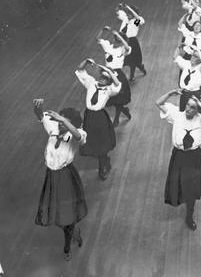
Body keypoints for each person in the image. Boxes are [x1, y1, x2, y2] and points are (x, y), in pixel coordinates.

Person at [156, 89, 201, 231]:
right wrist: (171, 93)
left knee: (192, 189)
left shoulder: (200, 119)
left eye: (193, 108)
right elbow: (158, 103)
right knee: (179, 185)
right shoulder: (177, 115)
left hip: (194, 157)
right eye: (188, 106)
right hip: (179, 156)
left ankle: (189, 215)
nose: (189, 110)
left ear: (197, 111)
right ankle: (183, 199)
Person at [33, 99, 87, 261]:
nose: (60, 125)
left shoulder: (78, 134)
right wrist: (38, 109)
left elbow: (78, 135)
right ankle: (72, 231)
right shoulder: (54, 128)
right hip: (52, 175)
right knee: (58, 211)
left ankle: (68, 243)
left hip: (66, 177)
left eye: (64, 122)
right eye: (60, 121)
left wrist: (63, 120)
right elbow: (42, 117)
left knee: (66, 214)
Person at [75, 58, 121, 180]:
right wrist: (85, 61)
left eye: (106, 78)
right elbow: (80, 70)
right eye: (102, 76)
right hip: (89, 116)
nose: (102, 79)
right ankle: (105, 159)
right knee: (92, 142)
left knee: (101, 143)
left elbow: (118, 84)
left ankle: (102, 168)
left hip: (100, 117)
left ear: (109, 80)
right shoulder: (91, 83)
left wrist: (109, 71)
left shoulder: (110, 90)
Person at [97, 26, 132, 127]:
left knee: (119, 98)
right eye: (116, 39)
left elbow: (127, 47)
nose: (117, 42)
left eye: (119, 40)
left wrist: (119, 35)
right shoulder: (107, 45)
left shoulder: (123, 49)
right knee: (108, 99)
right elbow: (98, 39)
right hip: (107, 74)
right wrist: (102, 30)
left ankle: (116, 118)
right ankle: (125, 111)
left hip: (118, 75)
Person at [174, 44, 201, 116]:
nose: (193, 58)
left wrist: (197, 49)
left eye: (196, 57)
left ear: (200, 59)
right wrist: (179, 47)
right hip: (184, 94)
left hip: (197, 94)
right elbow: (175, 57)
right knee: (183, 114)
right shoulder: (186, 63)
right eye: (193, 55)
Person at [116, 3, 147, 82]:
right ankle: (140, 67)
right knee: (124, 60)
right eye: (128, 14)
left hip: (133, 42)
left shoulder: (135, 22)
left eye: (130, 13)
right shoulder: (125, 19)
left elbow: (140, 20)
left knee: (133, 60)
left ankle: (133, 74)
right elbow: (117, 12)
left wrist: (130, 9)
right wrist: (120, 7)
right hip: (124, 42)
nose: (128, 15)